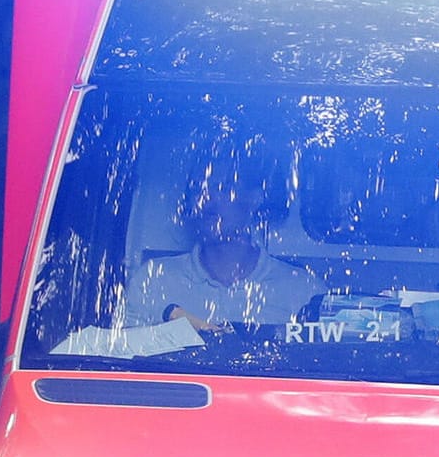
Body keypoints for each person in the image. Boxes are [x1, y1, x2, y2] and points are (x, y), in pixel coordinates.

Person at [123, 135, 323, 333]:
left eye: (224, 188)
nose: (207, 199)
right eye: (198, 188)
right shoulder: (154, 280)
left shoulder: (303, 290)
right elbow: (125, 357)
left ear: (254, 198)